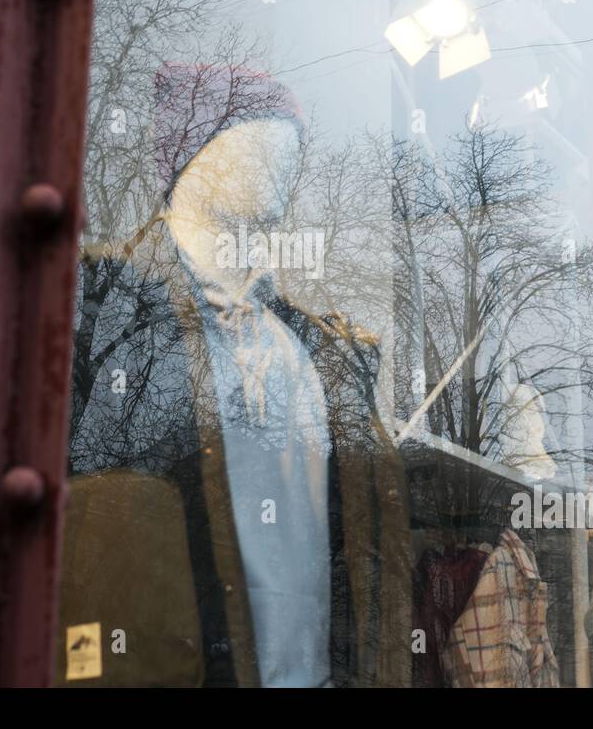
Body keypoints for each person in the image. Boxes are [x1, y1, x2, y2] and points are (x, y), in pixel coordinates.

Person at [59, 64, 412, 687]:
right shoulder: (102, 308)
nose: (287, 153)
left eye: (292, 139)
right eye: (263, 129)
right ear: (197, 151)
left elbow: (362, 545)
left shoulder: (312, 348)